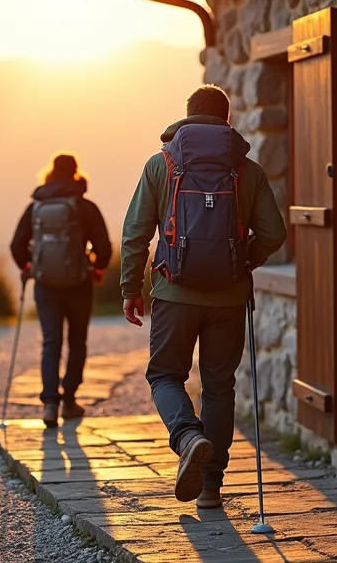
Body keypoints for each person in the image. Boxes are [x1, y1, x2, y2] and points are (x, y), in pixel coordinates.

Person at [120, 85, 287, 509]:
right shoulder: (246, 171)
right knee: (218, 387)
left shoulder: (161, 165)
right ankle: (211, 487)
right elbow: (274, 233)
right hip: (228, 299)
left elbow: (136, 233)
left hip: (174, 294)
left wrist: (129, 289)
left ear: (187, 117)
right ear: (226, 121)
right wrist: (243, 260)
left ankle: (187, 436)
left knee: (164, 376)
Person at [10, 153, 112, 428]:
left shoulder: (36, 206)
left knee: (51, 342)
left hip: (46, 286)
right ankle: (69, 400)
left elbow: (16, 245)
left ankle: (50, 404)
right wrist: (98, 267)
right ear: (77, 173)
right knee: (77, 341)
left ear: (50, 174)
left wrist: (28, 266)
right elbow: (104, 248)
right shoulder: (85, 206)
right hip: (79, 284)